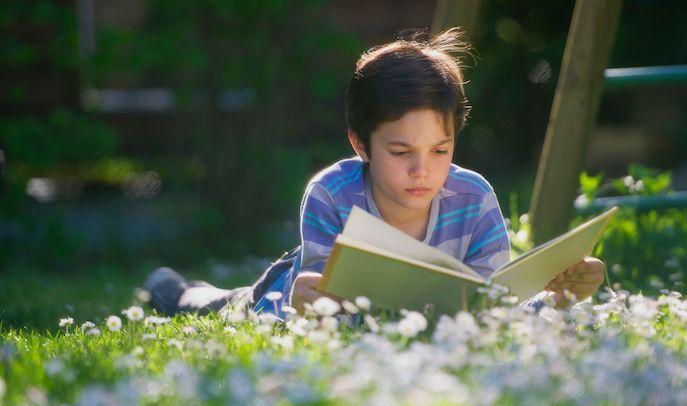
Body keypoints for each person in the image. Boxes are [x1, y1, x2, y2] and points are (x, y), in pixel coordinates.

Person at [144, 27, 605, 319]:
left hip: (418, 319)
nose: (422, 170)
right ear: (360, 143)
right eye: (400, 151)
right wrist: (311, 302)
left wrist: (559, 297)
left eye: (440, 150)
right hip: (283, 295)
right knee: (220, 306)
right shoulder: (331, 194)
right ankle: (176, 290)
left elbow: (495, 311)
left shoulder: (474, 198)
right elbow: (324, 308)